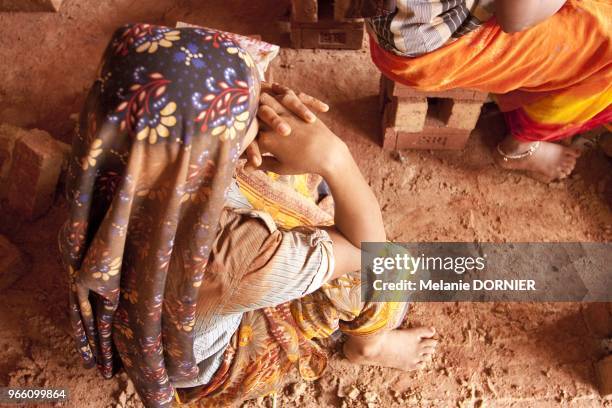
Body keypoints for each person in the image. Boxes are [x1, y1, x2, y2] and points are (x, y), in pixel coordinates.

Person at [58, 24, 437, 408]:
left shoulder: (112, 143)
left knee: (282, 159)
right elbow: (367, 251)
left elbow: (183, 81)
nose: (260, 107)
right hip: (219, 358)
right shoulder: (234, 252)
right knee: (388, 268)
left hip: (150, 311)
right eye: (247, 112)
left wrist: (247, 106)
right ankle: (369, 347)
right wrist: (335, 159)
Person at [367, 0, 611, 182]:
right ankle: (521, 144)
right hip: (427, 52)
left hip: (394, 23)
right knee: (604, 40)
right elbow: (516, 20)